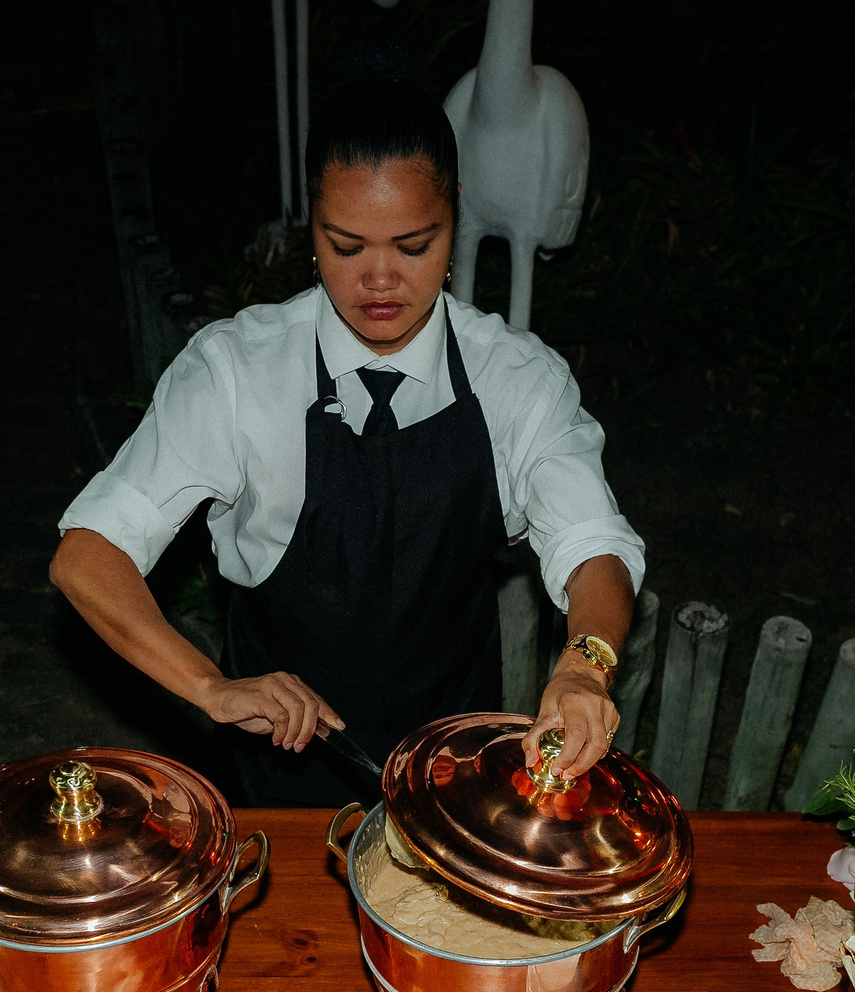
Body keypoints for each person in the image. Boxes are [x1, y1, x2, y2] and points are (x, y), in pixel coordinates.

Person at [51, 77, 647, 806]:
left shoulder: (515, 380)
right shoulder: (237, 372)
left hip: (454, 783)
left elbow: (594, 547)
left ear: (453, 217)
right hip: (276, 787)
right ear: (312, 227)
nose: (380, 278)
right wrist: (209, 685)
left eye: (414, 245)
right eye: (346, 245)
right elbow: (88, 555)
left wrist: (585, 664)